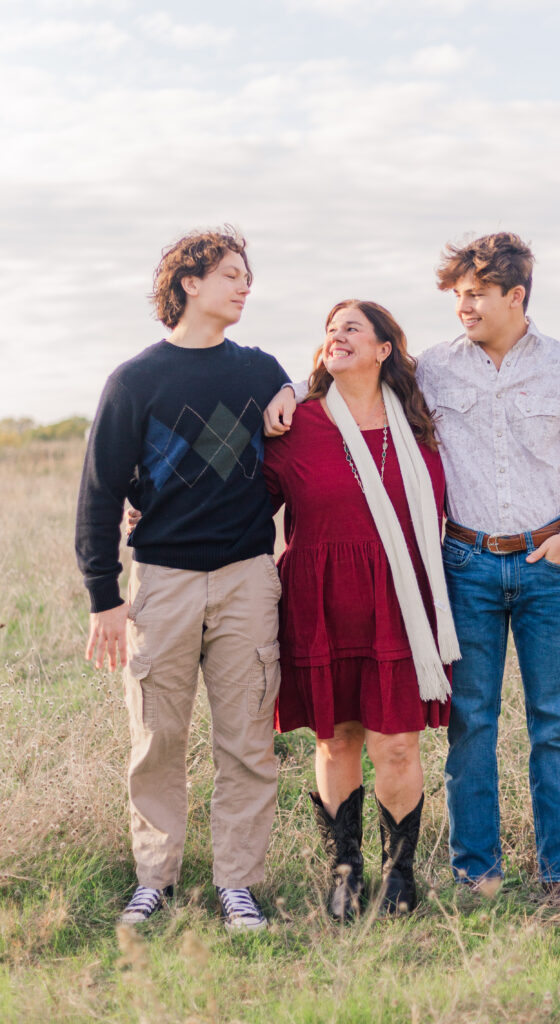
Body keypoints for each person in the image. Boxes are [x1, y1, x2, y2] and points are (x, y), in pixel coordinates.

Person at [264, 232, 560, 902]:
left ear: (514, 296)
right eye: (457, 295)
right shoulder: (434, 371)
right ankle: (474, 873)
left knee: (554, 723)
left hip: (548, 564)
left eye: (476, 294)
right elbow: (350, 376)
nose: (464, 306)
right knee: (470, 725)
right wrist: (284, 384)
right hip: (464, 564)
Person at [75, 226, 290, 930]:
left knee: (246, 741)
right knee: (156, 740)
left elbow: (297, 454)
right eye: (231, 273)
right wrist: (104, 600)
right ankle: (154, 880)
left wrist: (289, 386)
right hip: (161, 582)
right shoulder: (136, 380)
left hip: (246, 578)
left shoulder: (260, 371)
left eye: (246, 275)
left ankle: (238, 885)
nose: (244, 285)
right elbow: (100, 493)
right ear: (190, 283)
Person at [261, 300, 459, 919]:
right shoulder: (296, 425)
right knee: (336, 740)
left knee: (397, 745)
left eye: (352, 328)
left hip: (399, 605)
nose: (336, 336)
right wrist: (145, 510)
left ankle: (398, 874)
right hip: (319, 602)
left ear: (383, 350)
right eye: (329, 329)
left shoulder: (423, 423)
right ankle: (344, 871)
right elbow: (239, 500)